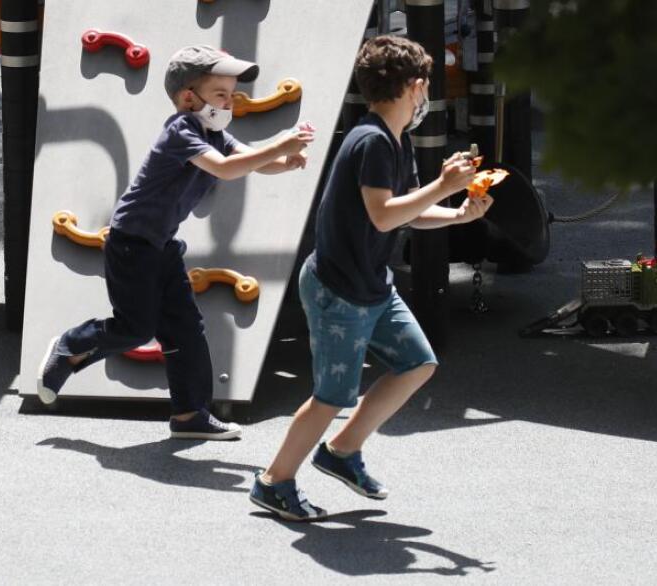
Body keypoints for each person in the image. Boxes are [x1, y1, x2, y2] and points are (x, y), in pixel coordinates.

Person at [249, 35, 493, 520]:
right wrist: (444, 187)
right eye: (424, 89)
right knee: (330, 397)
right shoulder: (373, 141)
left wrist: (457, 214)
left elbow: (406, 211)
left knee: (417, 363)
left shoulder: (392, 138)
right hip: (339, 293)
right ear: (417, 86)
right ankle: (273, 482)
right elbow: (384, 215)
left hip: (370, 286)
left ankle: (340, 452)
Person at [37, 45, 314, 440]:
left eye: (232, 94)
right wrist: (280, 146)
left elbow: (250, 159)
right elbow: (226, 169)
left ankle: (189, 414)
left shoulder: (214, 132)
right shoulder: (181, 131)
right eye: (221, 94)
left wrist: (285, 161)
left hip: (161, 245)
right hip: (131, 243)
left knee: (185, 329)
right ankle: (71, 344)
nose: (229, 102)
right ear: (189, 98)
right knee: (136, 328)